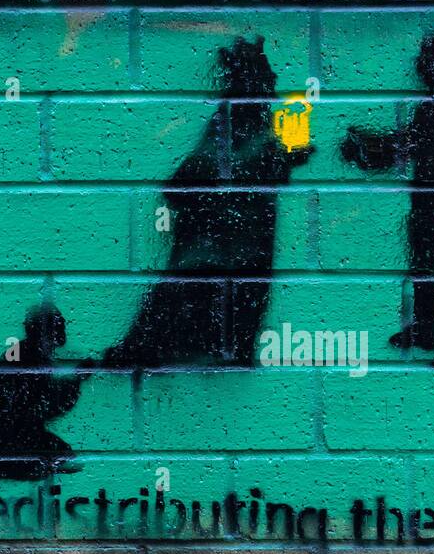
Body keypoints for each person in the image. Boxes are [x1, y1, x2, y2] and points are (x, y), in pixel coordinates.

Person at [103, 36, 313, 368]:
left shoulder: (249, 121)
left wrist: (280, 160)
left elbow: (216, 172)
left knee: (206, 294)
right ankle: (160, 348)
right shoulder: (239, 121)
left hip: (234, 242)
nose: (274, 83)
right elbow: (201, 173)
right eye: (267, 76)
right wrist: (275, 160)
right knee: (198, 293)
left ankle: (167, 348)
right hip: (228, 242)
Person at [341, 31, 434, 366]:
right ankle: (424, 327)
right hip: (427, 197)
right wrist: (371, 148)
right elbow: (412, 144)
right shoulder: (429, 104)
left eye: (429, 58)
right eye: (422, 58)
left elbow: (419, 145)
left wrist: (374, 147)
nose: (421, 65)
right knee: (423, 261)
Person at [0, 303, 95, 482]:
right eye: (57, 325)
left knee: (60, 457)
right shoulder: (28, 357)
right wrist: (76, 380)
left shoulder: (25, 354)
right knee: (59, 458)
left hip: (1, 433)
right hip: (3, 437)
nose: (61, 330)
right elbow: (40, 408)